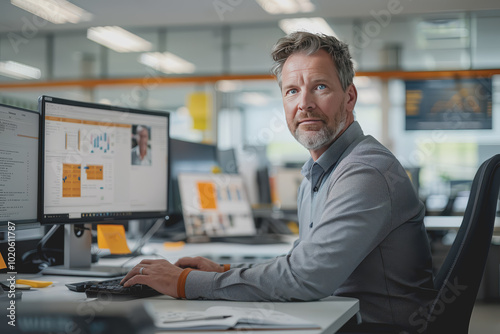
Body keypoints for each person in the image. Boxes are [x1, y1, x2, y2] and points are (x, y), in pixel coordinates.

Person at [121, 32, 436, 331]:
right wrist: (224, 273)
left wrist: (183, 283)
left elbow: (305, 277)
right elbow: (301, 263)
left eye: (320, 87)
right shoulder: (317, 172)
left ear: (349, 97)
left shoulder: (365, 172)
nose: (304, 104)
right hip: (340, 319)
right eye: (292, 91)